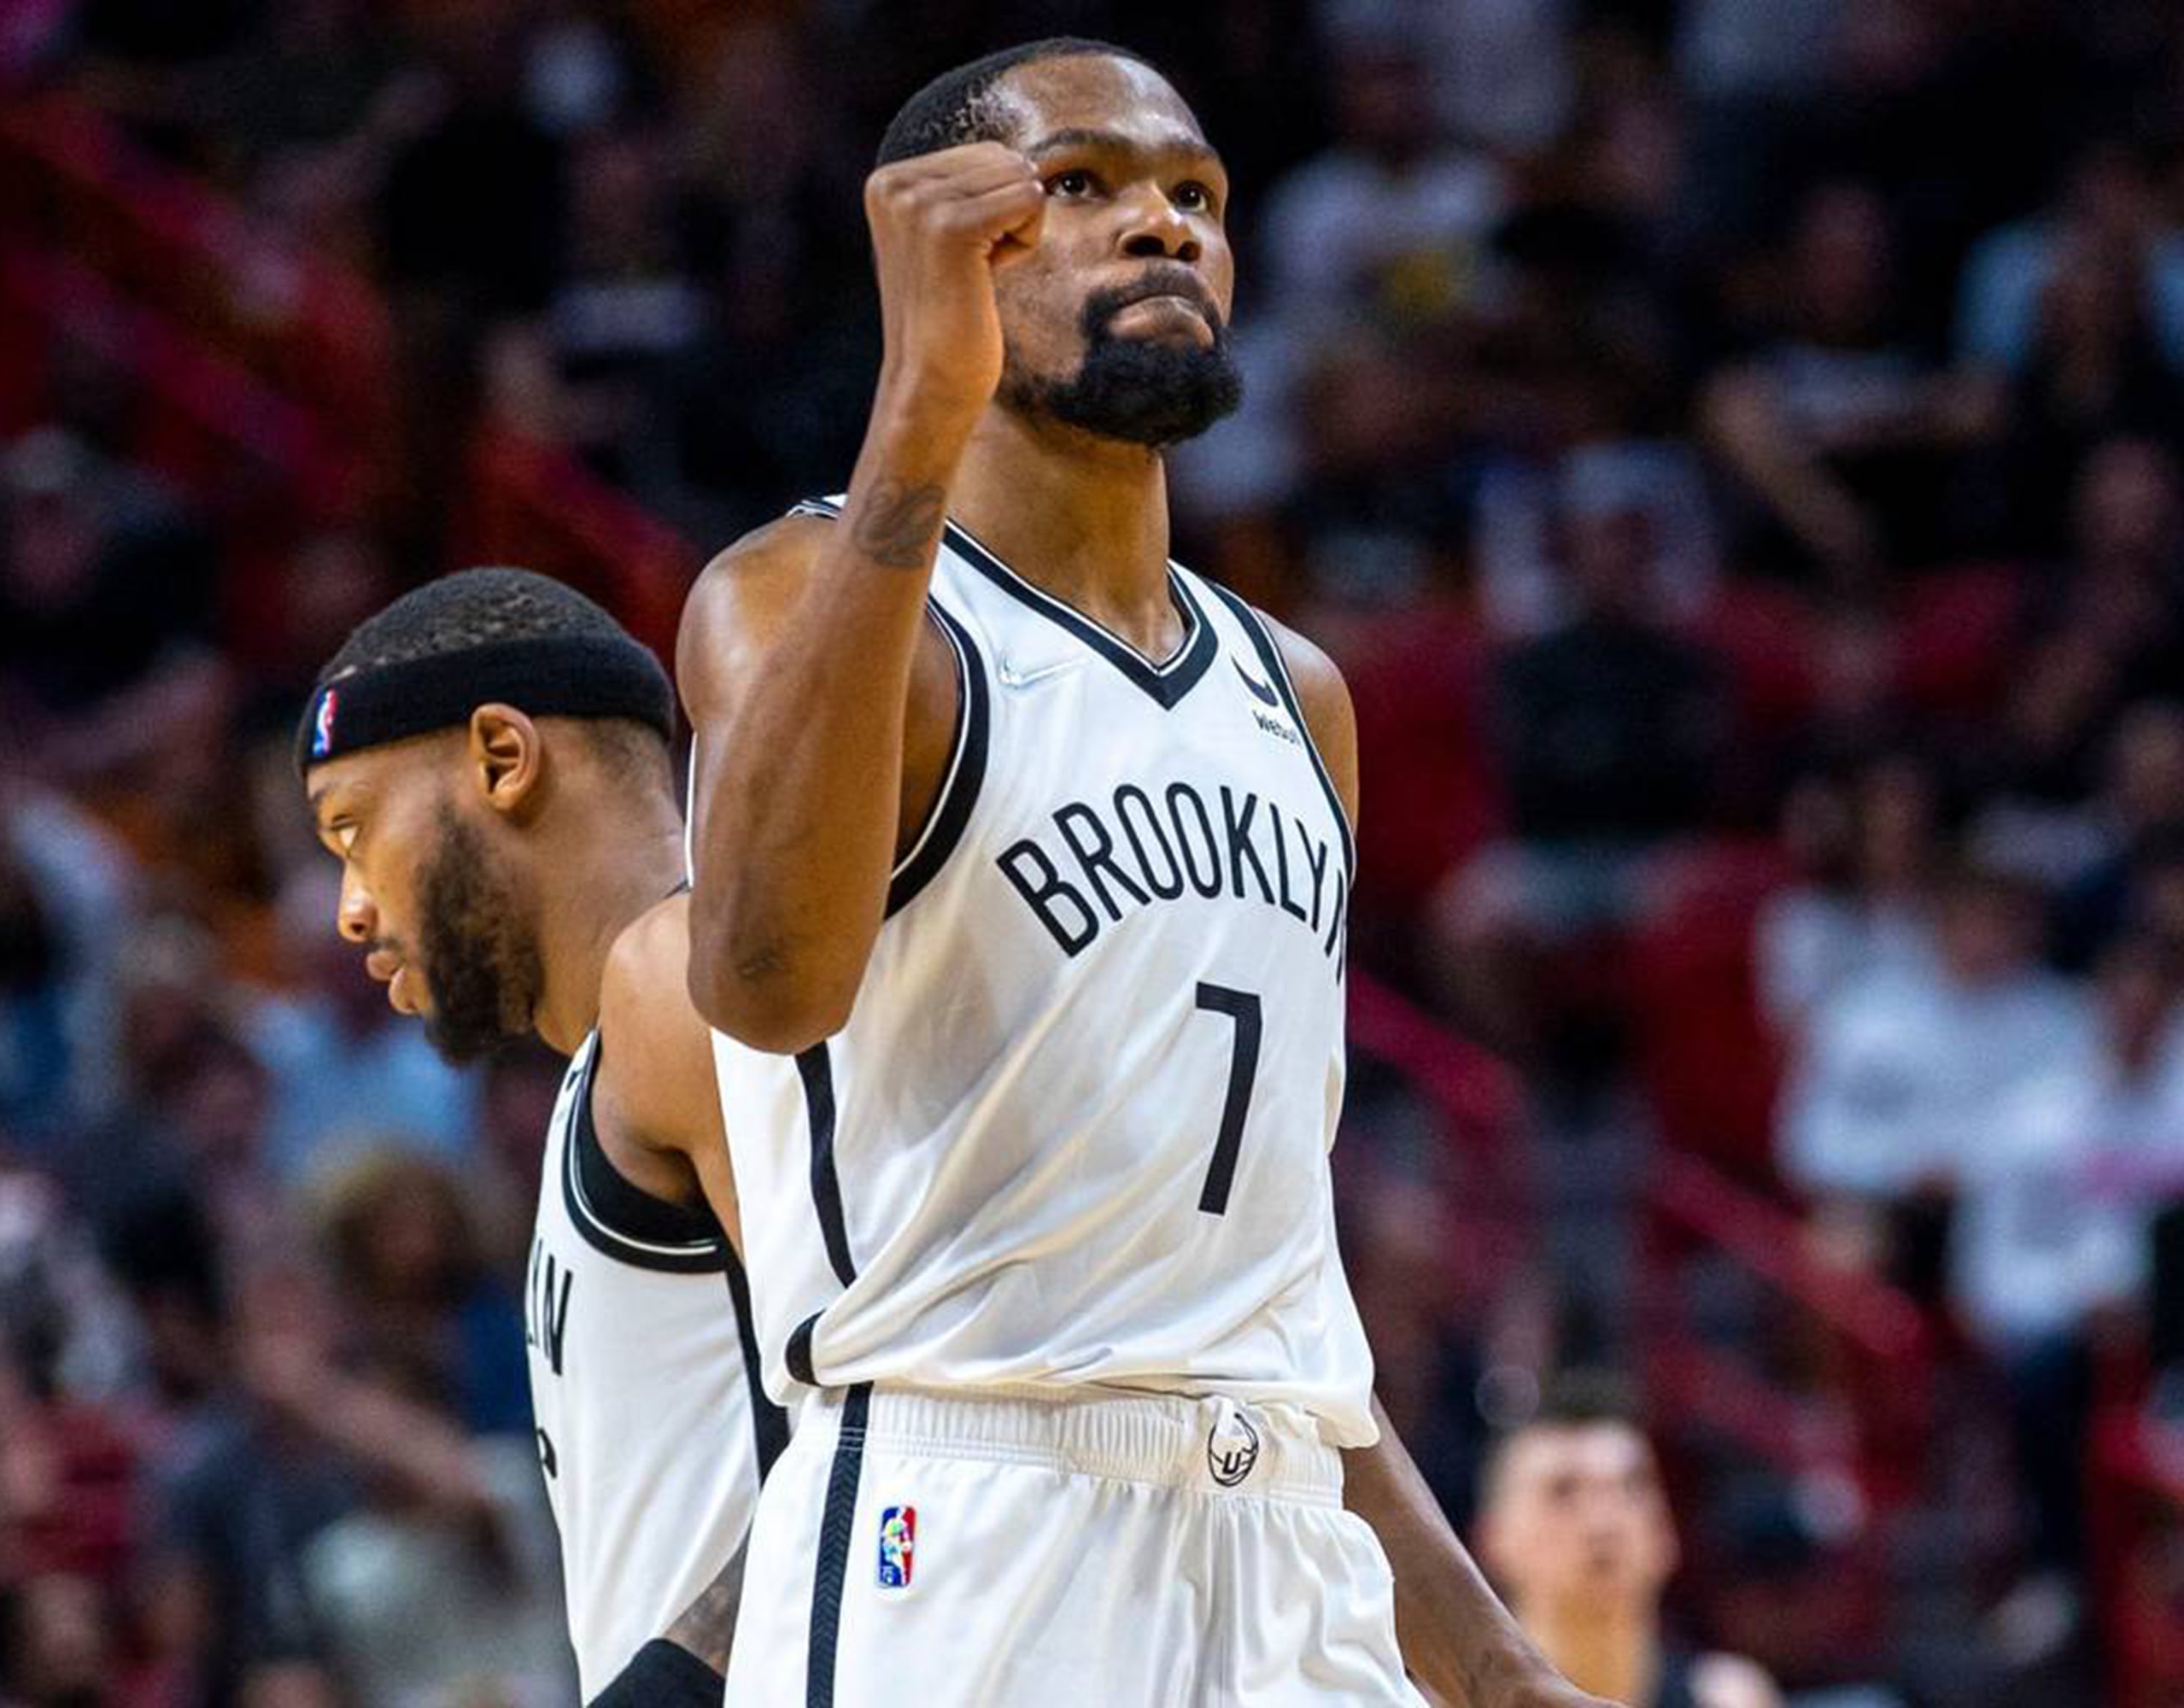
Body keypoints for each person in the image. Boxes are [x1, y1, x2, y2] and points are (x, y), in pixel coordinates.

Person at [678, 37, 1599, 1708]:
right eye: (1082, 185)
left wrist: (1496, 1662)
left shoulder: (1297, 697)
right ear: (942, 239)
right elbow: (762, 983)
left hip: (1284, 1544)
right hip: (970, 1530)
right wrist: (918, 409)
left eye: (1195, 197)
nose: (1163, 226)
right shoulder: (802, 597)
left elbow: (1272, 1284)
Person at [296, 568, 781, 1704]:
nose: (350, 909)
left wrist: (670, 1685)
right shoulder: (606, 1064)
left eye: (356, 831)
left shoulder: (699, 995)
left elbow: (908, 1413)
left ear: (502, 760)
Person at [1473, 1380, 1783, 1708]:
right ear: (1492, 1538)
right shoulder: (1438, 1702)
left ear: (1666, 1532)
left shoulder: (1731, 1699)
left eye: (1630, 1487)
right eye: (1563, 1490)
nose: (1603, 1522)